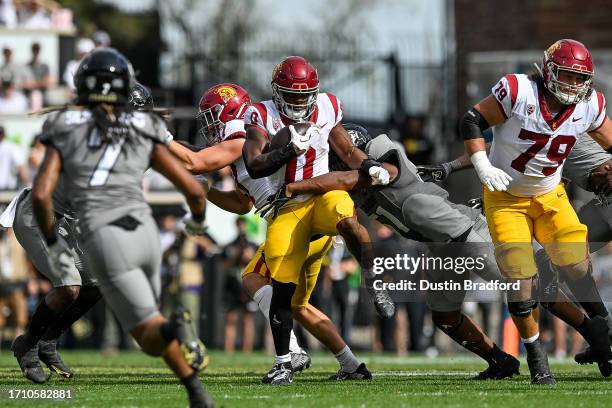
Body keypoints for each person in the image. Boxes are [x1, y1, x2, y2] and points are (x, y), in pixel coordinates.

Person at [265, 123, 612, 380]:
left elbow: (352, 179)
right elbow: (340, 198)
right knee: (445, 316)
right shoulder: (350, 183)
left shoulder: (382, 161)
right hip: (441, 245)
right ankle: (500, 361)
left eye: (340, 158)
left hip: (465, 233)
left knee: (526, 288)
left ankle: (592, 331)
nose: (335, 165)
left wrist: (296, 185)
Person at [22, 48, 213, 407]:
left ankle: (45, 340)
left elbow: (43, 193)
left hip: (89, 225)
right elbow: (192, 182)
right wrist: (199, 221)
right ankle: (194, 388)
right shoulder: (145, 130)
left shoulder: (67, 127)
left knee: (107, 301)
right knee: (85, 291)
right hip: (128, 230)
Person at [168, 82, 374, 384]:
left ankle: (290, 352)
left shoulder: (241, 136)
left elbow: (196, 161)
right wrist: (209, 192)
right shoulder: (246, 141)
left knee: (254, 279)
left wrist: (160, 140)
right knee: (297, 305)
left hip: (297, 222)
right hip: (303, 224)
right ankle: (352, 365)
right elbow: (242, 203)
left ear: (230, 111)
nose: (210, 125)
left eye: (213, 116)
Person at [459, 39, 612, 384]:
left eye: (579, 77)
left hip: (550, 196)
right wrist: (482, 164)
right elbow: (471, 120)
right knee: (522, 281)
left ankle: (601, 335)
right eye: (566, 75)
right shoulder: (518, 91)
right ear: (547, 70)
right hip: (506, 199)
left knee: (574, 261)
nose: (572, 84)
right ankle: (536, 354)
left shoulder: (590, 106)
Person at [242, 56, 394, 384]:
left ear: (315, 90)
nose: (299, 101)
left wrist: (367, 165)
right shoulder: (261, 114)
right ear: (277, 91)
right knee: (284, 290)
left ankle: (373, 279)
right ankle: (284, 362)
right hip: (288, 206)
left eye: (304, 94)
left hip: (323, 192)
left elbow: (347, 150)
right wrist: (286, 151)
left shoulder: (327, 106)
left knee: (347, 217)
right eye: (291, 94)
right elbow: (255, 165)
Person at [0, 84, 160, 384]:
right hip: (39, 216)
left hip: (68, 222)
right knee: (69, 286)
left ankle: (47, 341)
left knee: (97, 283)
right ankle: (27, 345)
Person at [419, 132, 612, 370]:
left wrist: (449, 167)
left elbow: (495, 149)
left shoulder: (555, 121)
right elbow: (546, 167)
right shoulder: (554, 132)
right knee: (564, 266)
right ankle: (604, 338)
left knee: (551, 271)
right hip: (602, 200)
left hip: (602, 196)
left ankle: (601, 338)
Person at [0, 125, 29, 190]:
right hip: (7, 188)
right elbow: (21, 166)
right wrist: (28, 183)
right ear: (4, 134)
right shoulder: (11, 147)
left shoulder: (10, 147)